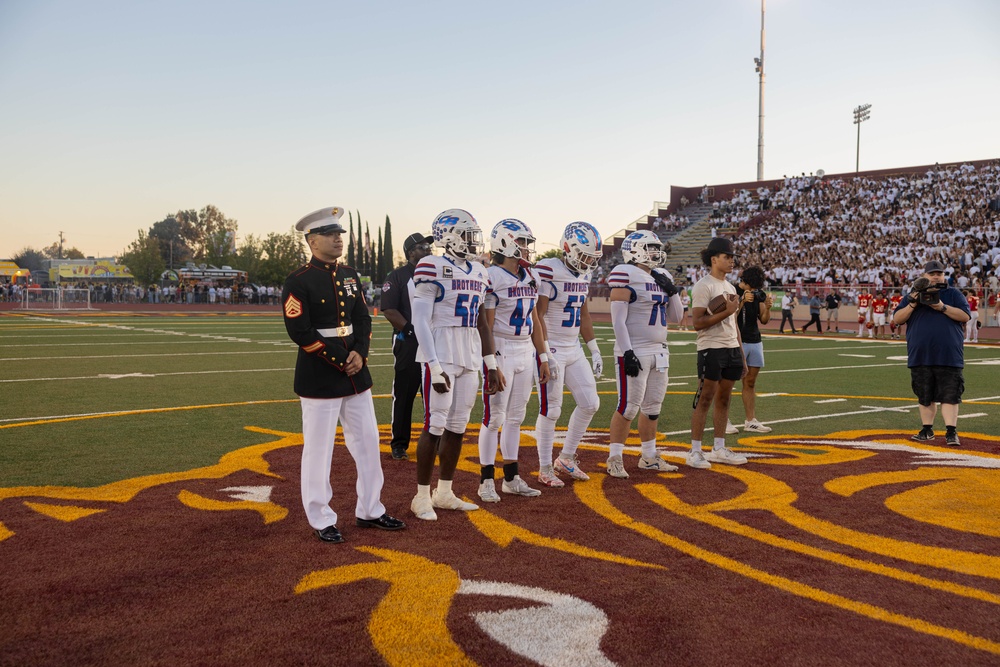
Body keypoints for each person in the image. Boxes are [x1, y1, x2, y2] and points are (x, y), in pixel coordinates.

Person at [282, 206, 405, 543]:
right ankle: (321, 517)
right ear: (311, 240)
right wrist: (341, 359)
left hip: (355, 375)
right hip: (320, 375)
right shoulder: (298, 280)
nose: (338, 239)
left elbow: (363, 318)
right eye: (329, 234)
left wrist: (360, 355)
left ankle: (371, 509)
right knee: (319, 450)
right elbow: (301, 331)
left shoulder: (349, 274)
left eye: (340, 233)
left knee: (367, 443)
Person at [410, 209, 504, 520]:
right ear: (448, 236)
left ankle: (445, 491)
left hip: (470, 351)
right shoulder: (431, 265)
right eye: (466, 235)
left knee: (457, 425)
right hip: (441, 347)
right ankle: (421, 496)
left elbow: (481, 321)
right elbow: (420, 320)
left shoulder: (479, 271)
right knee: (435, 423)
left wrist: (490, 363)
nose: (472, 242)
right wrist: (434, 366)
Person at [477, 219, 550, 501]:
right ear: (506, 244)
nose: (527, 249)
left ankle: (511, 477)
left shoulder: (530, 277)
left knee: (516, 417)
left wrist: (543, 356)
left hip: (525, 350)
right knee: (494, 417)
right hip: (502, 347)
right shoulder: (492, 277)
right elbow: (489, 324)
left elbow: (534, 319)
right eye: (522, 243)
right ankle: (486, 480)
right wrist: (493, 363)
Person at [606, 230, 684, 478]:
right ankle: (614, 457)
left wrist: (672, 292)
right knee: (628, 407)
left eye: (656, 247)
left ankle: (649, 457)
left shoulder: (663, 276)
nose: (656, 252)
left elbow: (677, 317)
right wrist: (627, 352)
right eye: (650, 247)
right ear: (635, 250)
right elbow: (618, 321)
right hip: (635, 349)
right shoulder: (625, 273)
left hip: (660, 351)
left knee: (653, 407)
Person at [533, 222, 605, 486]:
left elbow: (584, 314)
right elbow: (537, 315)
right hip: (552, 347)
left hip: (573, 347)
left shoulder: (583, 276)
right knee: (552, 410)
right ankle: (543, 468)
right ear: (569, 249)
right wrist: (543, 352)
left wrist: (594, 348)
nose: (589, 262)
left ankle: (565, 458)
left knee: (590, 403)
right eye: (585, 255)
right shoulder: (549, 270)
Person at [891, 260, 971, 447]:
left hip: (948, 354)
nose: (936, 276)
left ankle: (951, 432)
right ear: (924, 276)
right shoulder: (911, 296)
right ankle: (927, 429)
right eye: (932, 273)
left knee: (950, 394)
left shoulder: (953, 294)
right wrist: (913, 302)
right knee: (924, 394)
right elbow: (897, 319)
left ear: (944, 275)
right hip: (920, 354)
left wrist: (941, 306)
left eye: (939, 273)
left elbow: (965, 316)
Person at [687, 237, 748, 469]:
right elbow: (698, 323)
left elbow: (734, 325)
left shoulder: (731, 287)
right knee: (705, 399)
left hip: (730, 347)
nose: (731, 261)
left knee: (724, 399)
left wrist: (741, 355)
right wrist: (726, 312)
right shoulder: (704, 286)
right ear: (714, 259)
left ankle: (719, 447)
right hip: (710, 347)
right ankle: (694, 451)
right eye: (727, 257)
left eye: (732, 257)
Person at [381, 232, 434, 460]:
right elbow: (389, 309)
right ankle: (399, 444)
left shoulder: (436, 274)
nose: (428, 250)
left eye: (428, 246)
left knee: (434, 392)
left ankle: (435, 439)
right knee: (404, 392)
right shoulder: (398, 276)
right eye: (422, 247)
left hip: (435, 341)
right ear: (410, 252)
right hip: (409, 342)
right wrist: (410, 329)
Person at [726, 266, 773, 435]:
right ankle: (724, 420)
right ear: (745, 283)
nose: (754, 291)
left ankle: (750, 421)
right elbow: (730, 316)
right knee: (728, 383)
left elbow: (764, 320)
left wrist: (767, 307)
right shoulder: (733, 291)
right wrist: (742, 301)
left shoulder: (758, 294)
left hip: (754, 340)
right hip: (736, 340)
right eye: (752, 287)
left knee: (750, 382)